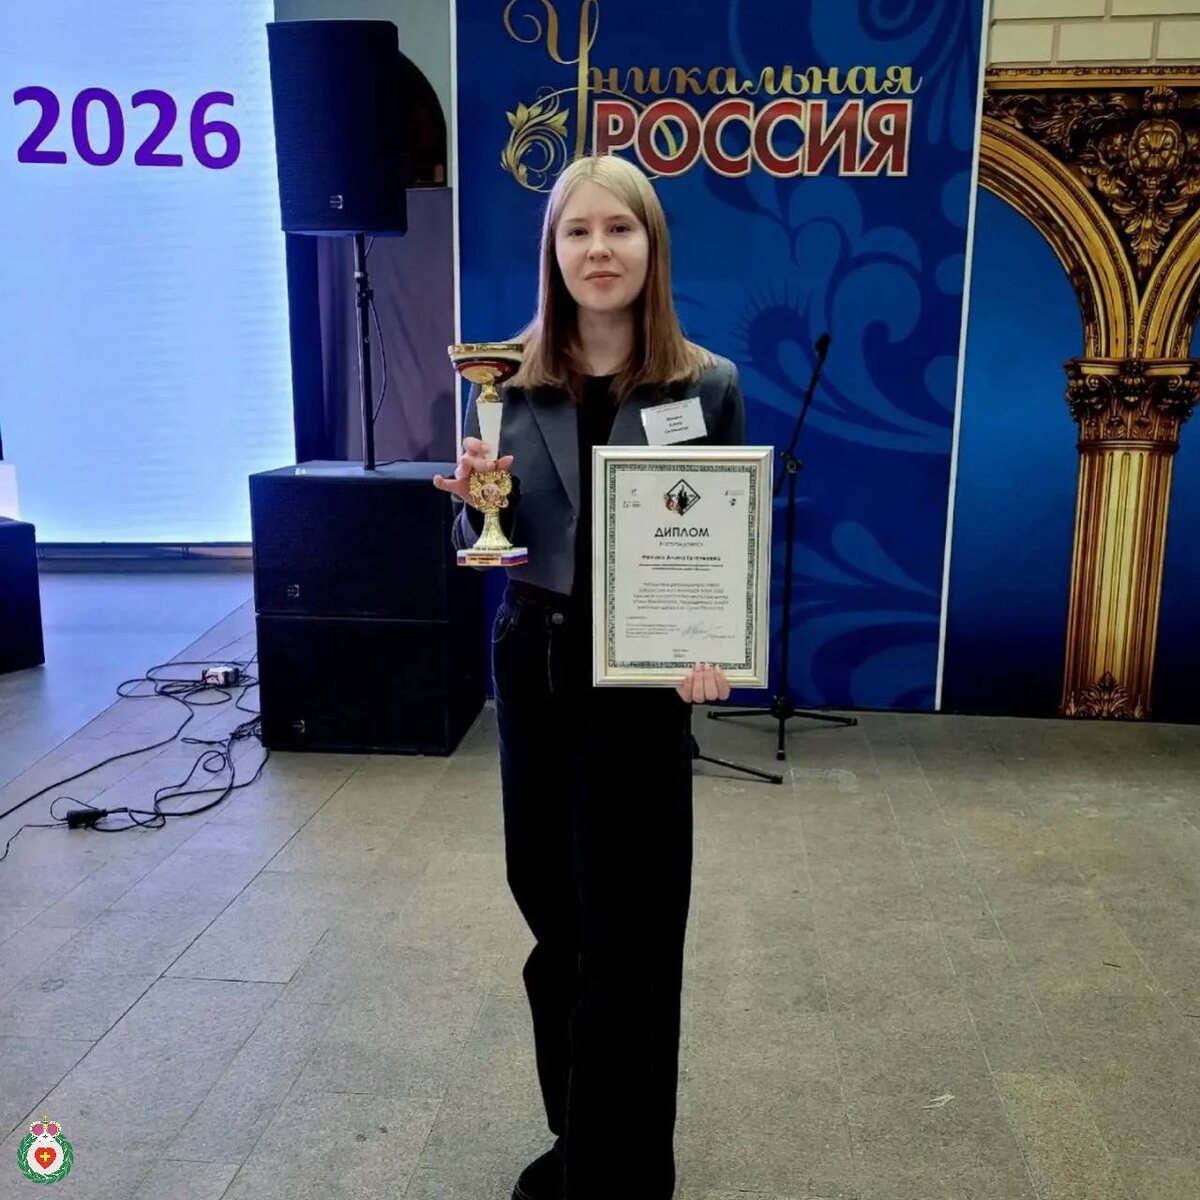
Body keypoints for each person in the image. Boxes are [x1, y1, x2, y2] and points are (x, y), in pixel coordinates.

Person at [432, 153, 746, 1200]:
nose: (599, 250)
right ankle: (581, 1130)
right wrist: (471, 505)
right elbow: (484, 538)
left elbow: (724, 540)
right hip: (537, 663)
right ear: (553, 252)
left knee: (635, 928)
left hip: (645, 684)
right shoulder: (503, 380)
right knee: (553, 913)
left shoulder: (704, 385)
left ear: (652, 248)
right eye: (578, 232)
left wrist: (716, 649)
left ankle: (623, 1167)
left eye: (620, 229)